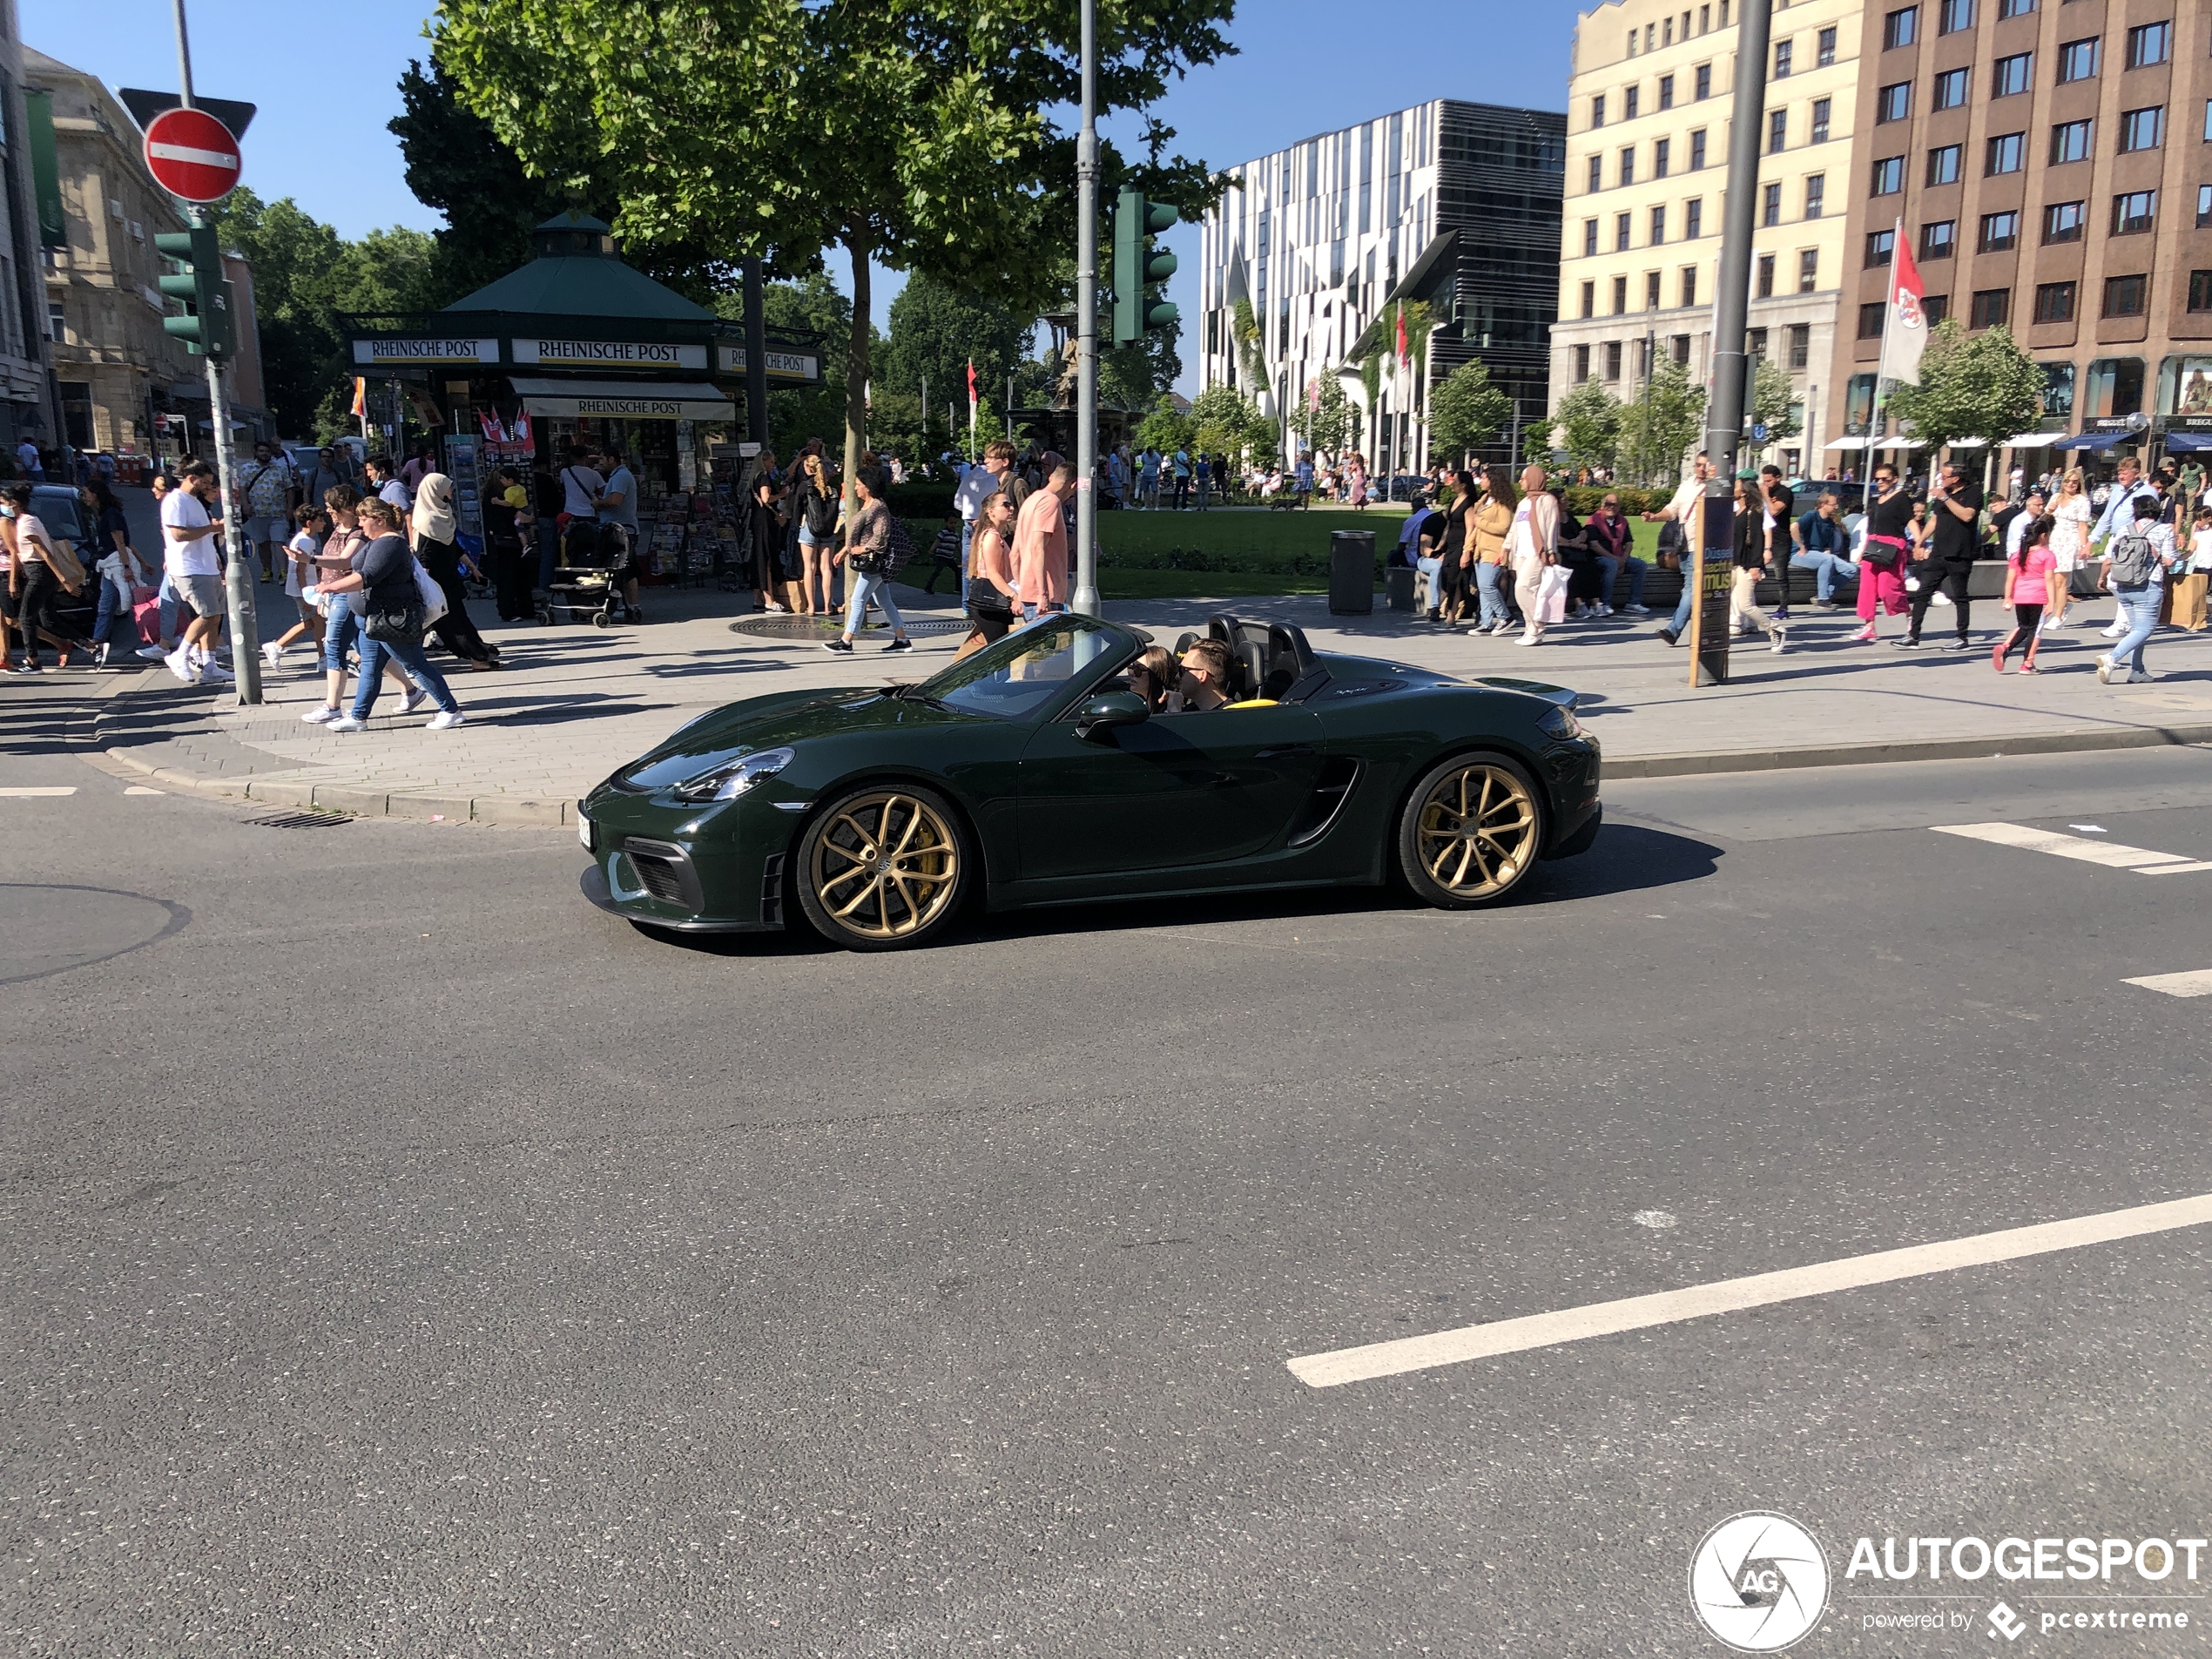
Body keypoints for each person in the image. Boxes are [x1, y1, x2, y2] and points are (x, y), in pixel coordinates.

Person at [314, 496, 465, 731]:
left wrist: (330, 587)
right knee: (371, 667)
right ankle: (358, 717)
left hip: (391, 618)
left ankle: (450, 710)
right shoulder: (379, 541)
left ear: (380, 520)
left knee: (415, 665)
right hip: (375, 619)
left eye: (364, 519)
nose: (360, 524)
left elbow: (368, 576)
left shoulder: (390, 544)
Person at [300, 485, 420, 725]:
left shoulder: (360, 533)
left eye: (331, 506)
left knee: (336, 646)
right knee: (373, 654)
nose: (327, 511)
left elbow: (349, 564)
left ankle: (335, 707)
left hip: (349, 595)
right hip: (338, 596)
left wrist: (315, 566)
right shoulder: (338, 529)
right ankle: (411, 691)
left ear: (345, 507)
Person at [413, 473, 501, 670]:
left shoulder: (443, 514)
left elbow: (453, 546)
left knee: (457, 620)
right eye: (447, 487)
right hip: (436, 583)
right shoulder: (428, 521)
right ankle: (477, 656)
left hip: (449, 580)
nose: (451, 490)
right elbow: (425, 555)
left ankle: (479, 653)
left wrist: (472, 567)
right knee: (452, 624)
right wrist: (423, 586)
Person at [822, 469, 911, 655]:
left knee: (857, 599)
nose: (855, 488)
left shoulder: (878, 507)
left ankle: (846, 641)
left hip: (873, 562)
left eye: (858, 485)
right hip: (868, 561)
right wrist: (846, 550)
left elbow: (881, 536)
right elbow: (860, 534)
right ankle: (902, 639)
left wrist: (861, 549)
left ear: (868, 487)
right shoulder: (869, 505)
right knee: (884, 601)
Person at [3, 482, 87, 670]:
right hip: (39, 572)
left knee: (25, 617)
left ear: (15, 503)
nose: (3, 507)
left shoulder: (26, 524)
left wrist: (64, 580)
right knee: (48, 619)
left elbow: (45, 553)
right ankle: (90, 645)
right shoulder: (29, 520)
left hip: (39, 572)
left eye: (4, 503)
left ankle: (32, 661)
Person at [161, 462, 233, 685]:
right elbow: (178, 534)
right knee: (207, 614)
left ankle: (209, 664)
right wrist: (211, 528)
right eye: (206, 482)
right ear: (192, 478)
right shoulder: (175, 500)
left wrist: (216, 557)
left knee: (216, 614)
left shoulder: (194, 502)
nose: (208, 487)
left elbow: (203, 535)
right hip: (189, 567)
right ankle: (180, 655)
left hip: (206, 566)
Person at [2095, 494, 2178, 684]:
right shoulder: (2164, 529)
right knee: (2145, 628)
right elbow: (2169, 561)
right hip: (2148, 584)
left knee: (2136, 629)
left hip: (2123, 584)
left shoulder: (2124, 530)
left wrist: (2102, 577)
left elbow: (2110, 558)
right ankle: (2112, 658)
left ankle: (2137, 671)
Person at [1902, 461, 1982, 650]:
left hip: (1960, 554)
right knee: (1922, 593)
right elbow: (1934, 520)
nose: (1941, 479)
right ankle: (1913, 635)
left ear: (1956, 478)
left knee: (1960, 596)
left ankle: (1961, 637)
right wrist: (1920, 541)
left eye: (1944, 476)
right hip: (1939, 553)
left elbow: (1967, 516)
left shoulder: (1973, 493)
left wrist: (1945, 498)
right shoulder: (1942, 497)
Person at [1645, 451, 1715, 645]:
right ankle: (1705, 631)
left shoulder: (1716, 487)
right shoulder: (1686, 486)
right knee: (1695, 591)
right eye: (1698, 465)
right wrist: (1654, 517)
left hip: (1702, 548)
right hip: (1683, 546)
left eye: (1705, 465)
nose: (1701, 469)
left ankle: (1673, 630)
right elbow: (1672, 509)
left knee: (1690, 590)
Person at [2087, 456, 2159, 639]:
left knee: (2123, 580)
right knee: (2113, 582)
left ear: (2136, 473)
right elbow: (2107, 516)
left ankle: (2123, 622)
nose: (2121, 476)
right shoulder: (2118, 490)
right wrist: (2091, 541)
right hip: (2116, 538)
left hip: (2134, 540)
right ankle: (2130, 617)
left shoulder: (2148, 491)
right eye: (2119, 472)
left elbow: (2149, 517)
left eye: (2125, 472)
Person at [82, 479, 145, 668]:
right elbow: (126, 543)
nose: (84, 497)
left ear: (95, 494)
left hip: (116, 565)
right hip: (111, 566)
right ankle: (99, 641)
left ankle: (99, 642)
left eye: (86, 492)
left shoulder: (111, 515)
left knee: (122, 602)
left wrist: (127, 567)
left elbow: (120, 542)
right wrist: (144, 562)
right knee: (110, 604)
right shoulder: (106, 514)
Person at [260, 503, 330, 671]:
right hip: (304, 588)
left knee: (310, 623)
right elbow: (300, 569)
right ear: (309, 523)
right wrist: (306, 593)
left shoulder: (304, 539)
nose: (324, 523)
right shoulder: (305, 542)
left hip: (302, 587)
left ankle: (277, 646)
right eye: (320, 520)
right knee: (319, 621)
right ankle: (323, 658)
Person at [1993, 512, 2062, 673]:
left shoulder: (2018, 555)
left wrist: (2008, 598)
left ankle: (2006, 648)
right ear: (2044, 536)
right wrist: (2052, 602)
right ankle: (2027, 663)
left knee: (2023, 627)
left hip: (2020, 596)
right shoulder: (2047, 555)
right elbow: (2049, 580)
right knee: (2033, 630)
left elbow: (2010, 578)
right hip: (2038, 597)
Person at [1727, 473, 1788, 654]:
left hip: (1746, 564)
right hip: (1733, 563)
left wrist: (1755, 565)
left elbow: (1756, 540)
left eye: (1736, 486)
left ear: (1744, 492)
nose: (1732, 489)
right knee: (1720, 598)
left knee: (1745, 604)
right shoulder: (1735, 510)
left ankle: (1773, 629)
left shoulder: (1754, 512)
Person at [954, 490, 1019, 659]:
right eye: (1005, 505)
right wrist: (1013, 596)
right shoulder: (992, 536)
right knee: (1001, 657)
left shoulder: (992, 534)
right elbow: (993, 573)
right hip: (991, 604)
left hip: (990, 604)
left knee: (997, 654)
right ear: (990, 511)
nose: (1011, 508)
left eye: (1010, 504)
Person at [954, 438, 1015, 602]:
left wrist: (969, 511)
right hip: (988, 525)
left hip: (970, 522)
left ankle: (969, 603)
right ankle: (989, 599)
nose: (987, 461)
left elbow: (957, 502)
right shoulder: (995, 481)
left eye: (990, 457)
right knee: (992, 566)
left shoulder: (969, 478)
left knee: (971, 567)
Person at [1013, 462, 1076, 619]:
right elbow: (1038, 547)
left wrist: (1020, 589)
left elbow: (1014, 553)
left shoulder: (1030, 501)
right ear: (1073, 485)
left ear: (1051, 477)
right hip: (1046, 594)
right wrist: (1043, 593)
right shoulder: (1051, 502)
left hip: (1028, 591)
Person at [236, 439, 298, 583]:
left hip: (278, 513)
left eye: (267, 451)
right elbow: (243, 488)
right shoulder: (247, 468)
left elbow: (289, 489)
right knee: (263, 543)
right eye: (261, 451)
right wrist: (245, 504)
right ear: (256, 453)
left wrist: (289, 508)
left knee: (279, 542)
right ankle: (267, 570)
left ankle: (283, 571)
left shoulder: (279, 469)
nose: (264, 454)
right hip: (257, 513)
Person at [1470, 468, 1519, 634]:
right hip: (1480, 550)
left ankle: (1505, 616)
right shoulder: (1485, 499)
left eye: (1483, 478)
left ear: (1493, 480)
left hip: (1495, 550)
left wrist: (1480, 521)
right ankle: (1486, 622)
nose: (1480, 481)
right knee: (1483, 588)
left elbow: (1504, 527)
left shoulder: (1502, 503)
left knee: (1487, 585)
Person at [792, 452, 840, 617]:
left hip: (809, 528)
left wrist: (798, 523)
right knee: (826, 568)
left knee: (809, 568)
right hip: (828, 530)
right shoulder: (831, 488)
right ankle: (828, 605)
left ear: (808, 468)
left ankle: (811, 607)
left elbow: (797, 509)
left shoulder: (804, 486)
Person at [594, 445, 641, 613]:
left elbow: (615, 501)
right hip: (616, 528)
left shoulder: (621, 476)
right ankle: (624, 604)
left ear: (611, 459)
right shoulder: (617, 476)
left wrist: (598, 503)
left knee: (626, 569)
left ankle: (632, 606)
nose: (600, 463)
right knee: (619, 569)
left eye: (601, 459)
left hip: (623, 530)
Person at [1584, 492, 1649, 615]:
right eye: (1608, 504)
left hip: (1619, 558)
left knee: (1640, 565)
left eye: (1615, 505)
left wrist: (1623, 559)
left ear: (1619, 507)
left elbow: (1629, 543)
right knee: (1611, 564)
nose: (1611, 507)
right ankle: (1605, 603)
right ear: (1602, 505)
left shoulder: (1622, 521)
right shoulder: (1593, 521)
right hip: (1597, 559)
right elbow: (1594, 545)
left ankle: (1633, 602)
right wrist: (1616, 559)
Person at [1790, 491, 1858, 608]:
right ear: (1823, 504)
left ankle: (1823, 594)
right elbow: (1793, 527)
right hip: (1799, 554)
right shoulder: (1811, 515)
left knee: (1851, 569)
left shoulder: (1830, 523)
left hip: (1819, 555)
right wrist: (1801, 546)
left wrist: (1827, 550)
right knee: (1826, 560)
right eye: (1833, 504)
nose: (1836, 507)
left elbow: (1827, 546)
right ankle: (1823, 599)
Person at [484, 465, 533, 622]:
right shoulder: (505, 495)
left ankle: (511, 609)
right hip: (509, 537)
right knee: (518, 576)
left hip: (500, 538)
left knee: (507, 577)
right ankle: (521, 608)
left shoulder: (491, 496)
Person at [2175, 504, 2212, 631]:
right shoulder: (2199, 534)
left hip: (2209, 567)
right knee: (2196, 595)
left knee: (2200, 596)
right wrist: (2179, 558)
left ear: (2209, 519)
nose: (2197, 522)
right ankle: (2193, 622)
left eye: (2200, 519)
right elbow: (2191, 550)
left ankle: (2196, 622)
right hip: (2199, 567)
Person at [1175, 637, 1236, 709]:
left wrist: (1173, 712)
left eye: (1183, 670)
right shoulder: (1191, 709)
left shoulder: (1232, 716)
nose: (1178, 676)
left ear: (1202, 676)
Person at [1125, 644, 1181, 711]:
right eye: (1131, 667)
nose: (1132, 673)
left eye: (1138, 669)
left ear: (1157, 675)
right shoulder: (1138, 706)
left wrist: (1174, 711)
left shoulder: (1168, 712)